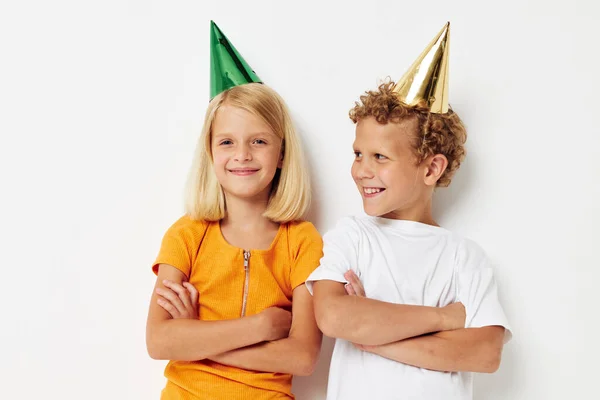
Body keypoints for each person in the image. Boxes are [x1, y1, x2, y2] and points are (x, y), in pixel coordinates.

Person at [306, 22, 512, 400]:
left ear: (431, 168)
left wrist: (376, 337)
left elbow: (485, 353)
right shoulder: (352, 236)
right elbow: (334, 317)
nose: (361, 170)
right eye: (358, 154)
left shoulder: (463, 257)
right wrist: (444, 319)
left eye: (379, 157)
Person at [146, 21, 323, 400]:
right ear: (210, 153)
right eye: (227, 142)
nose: (242, 155)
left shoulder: (301, 241)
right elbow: (160, 340)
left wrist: (195, 337)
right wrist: (259, 326)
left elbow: (303, 356)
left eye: (258, 141)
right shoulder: (187, 234)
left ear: (281, 155)